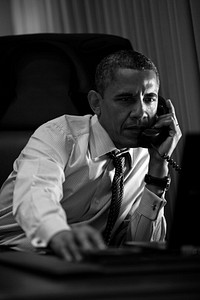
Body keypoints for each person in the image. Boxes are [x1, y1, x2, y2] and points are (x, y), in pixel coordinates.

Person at [0, 50, 182, 261]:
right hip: (15, 249)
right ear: (96, 103)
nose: (141, 112)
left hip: (86, 259)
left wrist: (158, 170)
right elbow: (37, 190)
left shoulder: (147, 154)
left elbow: (143, 245)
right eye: (125, 99)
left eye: (149, 98)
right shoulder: (59, 135)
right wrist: (58, 233)